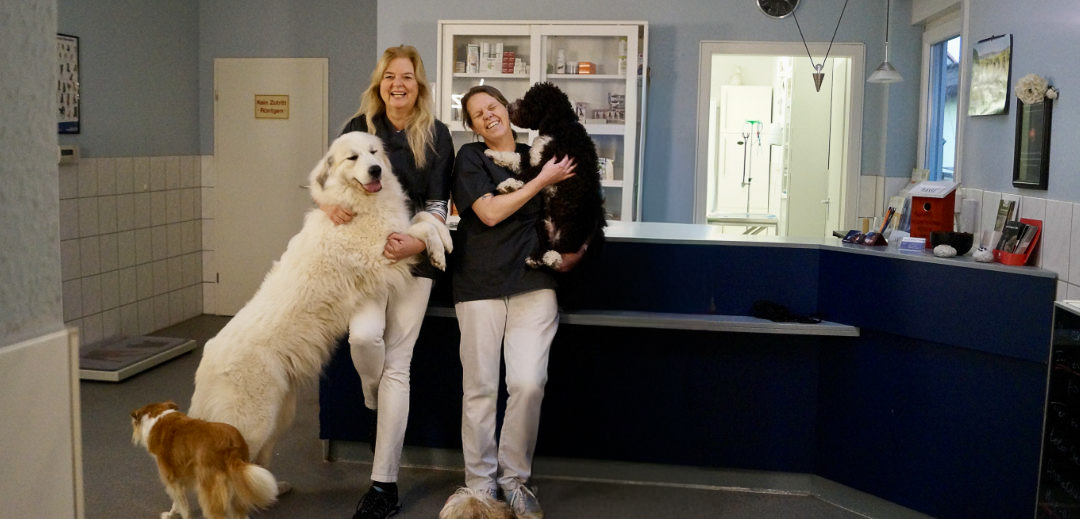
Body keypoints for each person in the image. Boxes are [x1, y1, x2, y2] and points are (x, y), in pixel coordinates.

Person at [320, 45, 454, 519]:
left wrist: (416, 245)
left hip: (414, 261)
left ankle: (383, 487)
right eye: (391, 76)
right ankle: (371, 390)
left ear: (420, 86)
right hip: (362, 256)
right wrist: (327, 204)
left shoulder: (437, 135)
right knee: (363, 336)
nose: (399, 84)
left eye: (409, 77)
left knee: (400, 364)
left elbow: (440, 207)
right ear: (380, 82)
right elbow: (328, 182)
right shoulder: (357, 129)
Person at [450, 85, 583, 519]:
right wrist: (542, 181)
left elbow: (574, 205)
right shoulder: (470, 159)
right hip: (479, 284)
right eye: (477, 114)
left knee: (528, 384)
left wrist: (578, 248)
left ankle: (514, 481)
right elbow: (488, 213)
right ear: (471, 126)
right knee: (481, 389)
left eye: (493, 107)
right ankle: (480, 486)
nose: (488, 116)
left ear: (507, 110)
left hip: (533, 281)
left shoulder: (538, 151)